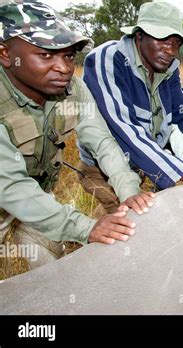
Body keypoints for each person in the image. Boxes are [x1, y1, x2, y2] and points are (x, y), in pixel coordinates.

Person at [0, 0, 153, 270]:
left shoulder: (73, 89)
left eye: (68, 55)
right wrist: (86, 228)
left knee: (51, 270)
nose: (63, 67)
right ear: (4, 53)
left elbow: (103, 143)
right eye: (46, 55)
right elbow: (9, 186)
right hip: (10, 190)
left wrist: (129, 193)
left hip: (38, 199)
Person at [78, 1, 183, 211]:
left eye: (175, 43)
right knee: (124, 226)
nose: (169, 50)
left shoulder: (167, 69)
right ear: (139, 35)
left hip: (144, 165)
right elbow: (124, 128)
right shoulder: (108, 59)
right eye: (161, 40)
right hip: (104, 169)